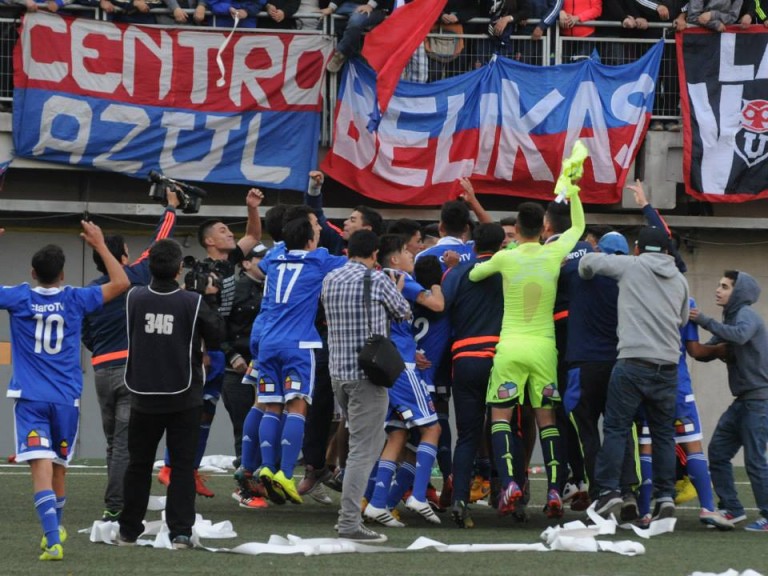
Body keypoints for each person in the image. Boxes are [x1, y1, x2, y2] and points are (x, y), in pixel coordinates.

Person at [0, 222, 129, 561]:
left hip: (30, 398)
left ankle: (53, 538)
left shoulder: (19, 297)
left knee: (40, 467)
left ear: (32, 272)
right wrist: (100, 245)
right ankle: (54, 531)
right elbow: (121, 282)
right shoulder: (75, 298)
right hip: (66, 399)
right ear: (62, 274)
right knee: (58, 467)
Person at [468, 148, 586, 520]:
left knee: (501, 417)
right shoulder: (554, 253)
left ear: (516, 230)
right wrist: (575, 191)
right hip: (544, 349)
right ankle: (554, 488)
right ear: (545, 229)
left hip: (510, 347)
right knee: (547, 420)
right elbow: (579, 228)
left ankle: (511, 483)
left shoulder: (506, 257)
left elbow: (473, 275)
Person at [117, 239, 225, 549]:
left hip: (143, 393)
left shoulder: (134, 297)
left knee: (138, 465)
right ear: (179, 269)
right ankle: (180, 531)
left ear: (150, 267)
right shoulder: (191, 302)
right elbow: (217, 337)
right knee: (181, 466)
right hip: (184, 396)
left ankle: (128, 530)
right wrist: (208, 298)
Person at [157, 188, 262, 497]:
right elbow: (191, 313)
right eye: (223, 231)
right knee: (190, 410)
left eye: (230, 230)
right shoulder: (198, 272)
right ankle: (170, 466)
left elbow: (254, 234)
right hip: (202, 352)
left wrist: (251, 207)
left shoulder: (231, 264)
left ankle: (188, 470)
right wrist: (200, 350)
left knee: (205, 413)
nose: (230, 233)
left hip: (218, 351)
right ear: (209, 242)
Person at [580, 226, 689, 522]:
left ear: (637, 248)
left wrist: (586, 272)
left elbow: (588, 262)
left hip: (632, 362)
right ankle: (665, 496)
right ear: (667, 251)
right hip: (667, 366)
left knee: (616, 428)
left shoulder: (631, 265)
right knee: (663, 434)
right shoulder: (679, 279)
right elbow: (680, 320)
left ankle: (608, 493)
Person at [81, 190, 178, 523]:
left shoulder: (92, 292)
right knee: (126, 443)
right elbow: (159, 241)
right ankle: (116, 503)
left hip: (100, 371)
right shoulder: (135, 276)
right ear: (122, 256)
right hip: (129, 369)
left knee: (114, 442)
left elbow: (86, 335)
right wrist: (171, 208)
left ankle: (117, 498)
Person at [322, 229, 411, 542]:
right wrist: (397, 286)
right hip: (368, 377)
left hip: (339, 374)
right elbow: (403, 313)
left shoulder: (330, 278)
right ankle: (348, 522)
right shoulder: (378, 280)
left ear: (348, 250)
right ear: (375, 255)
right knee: (363, 449)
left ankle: (348, 518)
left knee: (364, 444)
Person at [256, 205, 347, 504]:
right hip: (299, 345)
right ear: (309, 239)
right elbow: (352, 264)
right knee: (297, 407)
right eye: (316, 229)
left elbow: (260, 262)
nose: (319, 231)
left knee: (271, 407)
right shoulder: (320, 259)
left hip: (268, 342)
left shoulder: (273, 259)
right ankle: (284, 473)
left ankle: (267, 468)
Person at [691, 270, 768, 532]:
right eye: (718, 285)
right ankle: (733, 510)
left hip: (759, 401)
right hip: (744, 401)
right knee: (718, 452)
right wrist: (686, 330)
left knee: (755, 461)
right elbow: (704, 353)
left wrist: (703, 320)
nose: (718, 290)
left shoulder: (745, 315)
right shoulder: (730, 319)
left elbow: (739, 336)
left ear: (739, 292)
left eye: (724, 286)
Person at [441, 222, 505, 528]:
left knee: (467, 435)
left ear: (473, 244)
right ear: (502, 244)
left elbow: (442, 306)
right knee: (506, 430)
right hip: (501, 356)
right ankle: (509, 494)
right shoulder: (508, 271)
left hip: (465, 355)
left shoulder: (457, 272)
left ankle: (459, 500)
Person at [221, 243, 267, 508]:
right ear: (247, 263)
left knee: (264, 427)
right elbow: (219, 326)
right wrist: (232, 355)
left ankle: (259, 482)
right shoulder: (235, 290)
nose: (266, 262)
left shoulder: (270, 288)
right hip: (236, 369)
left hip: (263, 366)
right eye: (261, 258)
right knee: (245, 429)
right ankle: (245, 488)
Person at [323, 0, 392, 73]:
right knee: (324, 23)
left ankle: (341, 54)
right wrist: (331, 7)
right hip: (347, 5)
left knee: (356, 22)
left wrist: (370, 5)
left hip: (374, 8)